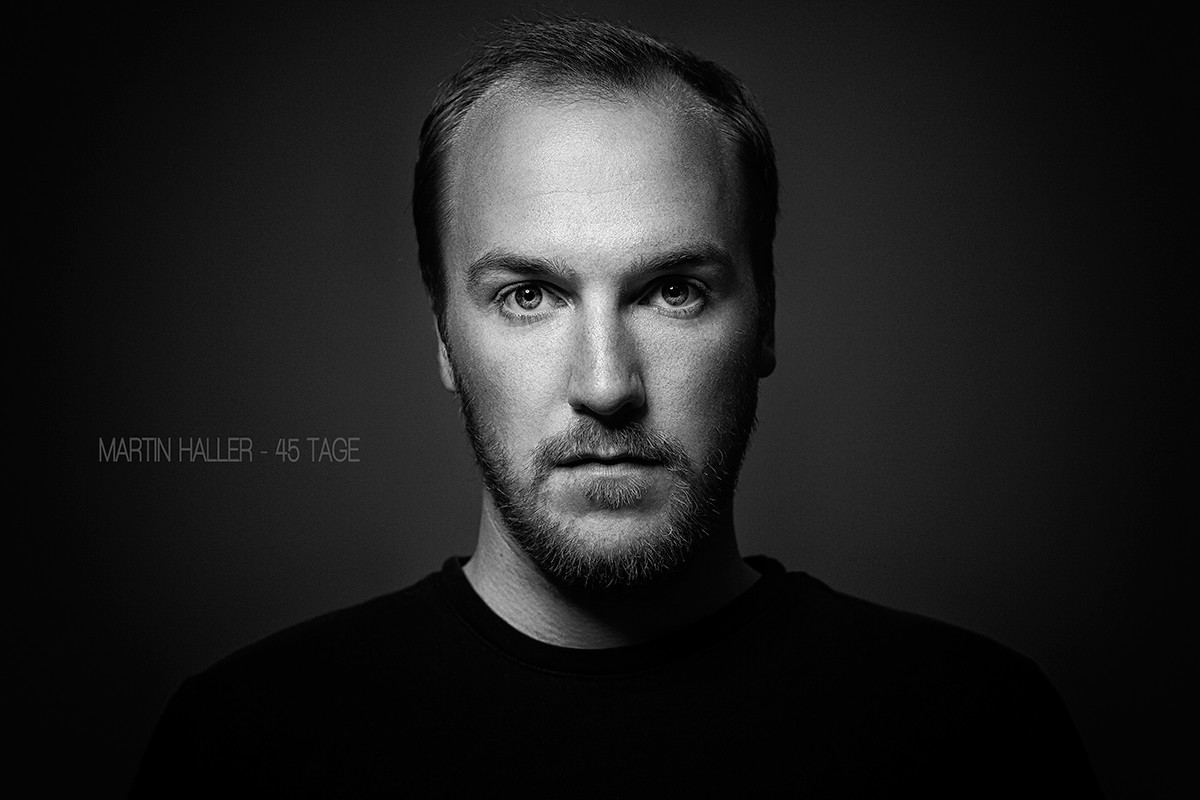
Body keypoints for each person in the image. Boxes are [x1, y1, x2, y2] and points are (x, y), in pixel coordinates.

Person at [132, 16, 1101, 797]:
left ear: (765, 319)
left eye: (673, 291)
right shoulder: (242, 746)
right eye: (529, 295)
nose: (605, 385)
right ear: (443, 337)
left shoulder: (976, 732)